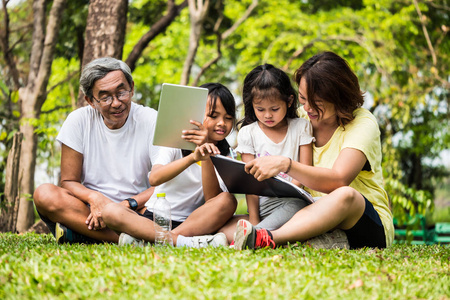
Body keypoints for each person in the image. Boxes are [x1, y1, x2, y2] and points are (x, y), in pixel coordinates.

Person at [232, 51, 394, 250]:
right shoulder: (301, 119)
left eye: (316, 102)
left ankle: (267, 238)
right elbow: (260, 129)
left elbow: (339, 179)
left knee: (345, 195)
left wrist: (287, 165)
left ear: (339, 97)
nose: (307, 108)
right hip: (306, 212)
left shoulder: (362, 122)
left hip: (359, 221)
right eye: (302, 98)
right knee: (231, 222)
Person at [33, 57, 159, 243]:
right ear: (91, 100)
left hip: (137, 208)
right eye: (106, 97)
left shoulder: (151, 120)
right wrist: (95, 198)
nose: (116, 103)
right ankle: (132, 239)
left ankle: (85, 234)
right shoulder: (79, 120)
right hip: (90, 209)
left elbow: (163, 185)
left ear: (131, 88)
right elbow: (68, 181)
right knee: (44, 194)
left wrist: (127, 204)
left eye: (121, 92)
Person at [101, 83, 238, 247]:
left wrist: (206, 158)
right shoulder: (174, 142)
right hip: (156, 219)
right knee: (110, 212)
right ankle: (181, 242)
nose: (222, 123)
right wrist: (192, 158)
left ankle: (156, 240)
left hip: (193, 223)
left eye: (228, 118)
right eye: (213, 116)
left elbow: (212, 200)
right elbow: (155, 178)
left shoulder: (227, 155)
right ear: (195, 115)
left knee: (228, 201)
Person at [232, 64, 314, 231]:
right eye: (260, 109)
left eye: (274, 109)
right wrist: (253, 218)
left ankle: (255, 235)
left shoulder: (301, 127)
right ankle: (258, 232)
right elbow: (251, 183)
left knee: (299, 204)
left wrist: (292, 194)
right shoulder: (248, 133)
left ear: (289, 101)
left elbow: (305, 171)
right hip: (265, 203)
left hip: (295, 199)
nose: (267, 115)